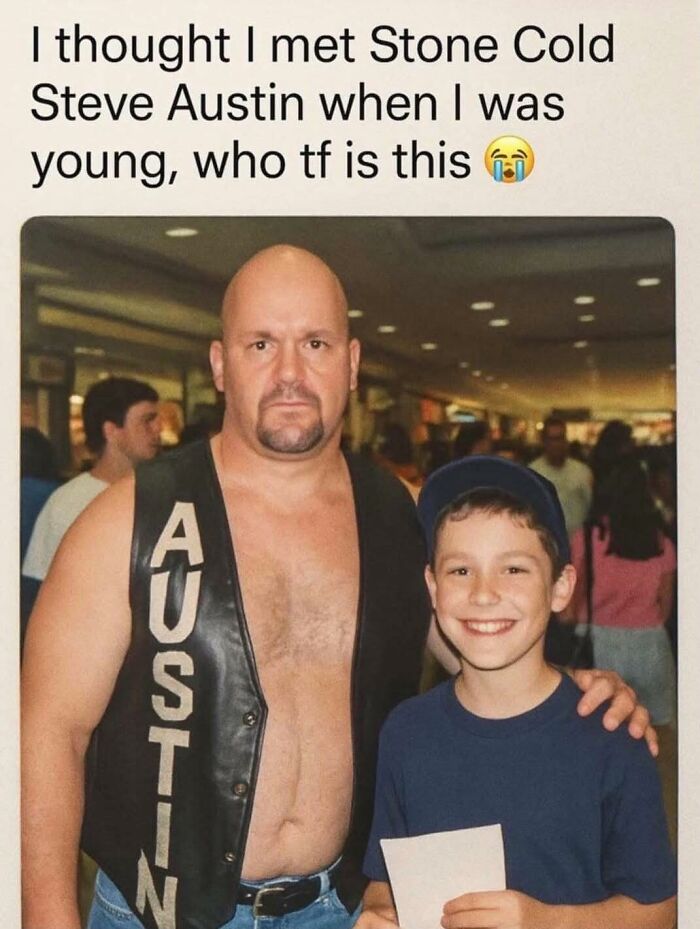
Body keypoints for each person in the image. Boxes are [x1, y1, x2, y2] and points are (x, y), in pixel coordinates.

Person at [21, 246, 654, 929]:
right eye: (261, 343)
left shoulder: (403, 518)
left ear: (351, 364)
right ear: (219, 364)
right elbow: (48, 733)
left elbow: (484, 646)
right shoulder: (128, 520)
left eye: (315, 343)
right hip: (155, 912)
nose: (290, 372)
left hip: (343, 907)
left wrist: (581, 694)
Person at [360, 457, 676, 929]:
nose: (484, 593)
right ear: (432, 587)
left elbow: (659, 909)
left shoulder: (610, 733)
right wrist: (380, 911)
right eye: (460, 571)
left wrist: (546, 922)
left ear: (561, 586)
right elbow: (383, 880)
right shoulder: (406, 732)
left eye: (513, 569)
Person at [21, 376, 162, 586]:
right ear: (112, 431)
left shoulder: (163, 494)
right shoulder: (67, 503)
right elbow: (37, 586)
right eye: (147, 420)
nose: (158, 429)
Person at [568, 458, 677, 728]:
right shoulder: (661, 541)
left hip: (597, 642)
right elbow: (665, 604)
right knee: (654, 725)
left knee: (598, 723)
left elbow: (571, 596)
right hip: (650, 643)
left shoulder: (587, 537)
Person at [530, 416, 593, 536]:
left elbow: (590, 507)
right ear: (544, 442)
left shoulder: (582, 471)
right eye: (552, 439)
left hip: (578, 546)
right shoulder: (533, 473)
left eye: (561, 438)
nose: (557, 444)